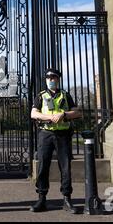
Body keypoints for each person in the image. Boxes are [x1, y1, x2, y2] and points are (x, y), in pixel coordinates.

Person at [30, 68, 82, 213]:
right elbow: (33, 113)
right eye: (48, 77)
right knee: (43, 166)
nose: (51, 80)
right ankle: (41, 198)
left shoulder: (65, 95)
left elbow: (77, 112)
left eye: (54, 77)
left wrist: (64, 114)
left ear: (58, 79)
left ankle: (66, 198)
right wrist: (48, 117)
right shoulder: (40, 96)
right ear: (46, 80)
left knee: (65, 167)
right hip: (45, 133)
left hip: (62, 134)